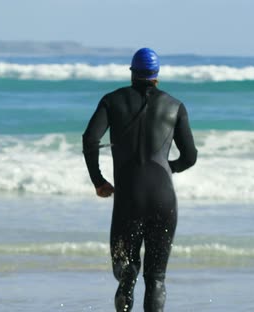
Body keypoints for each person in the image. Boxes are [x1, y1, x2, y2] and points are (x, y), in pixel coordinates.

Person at [82, 48, 197, 312]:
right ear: (156, 75)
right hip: (162, 197)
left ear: (132, 72)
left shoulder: (112, 101)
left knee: (126, 270)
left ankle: (127, 280)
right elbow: (190, 157)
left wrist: (98, 181)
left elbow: (90, 140)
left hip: (128, 198)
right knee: (156, 278)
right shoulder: (175, 105)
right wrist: (170, 168)